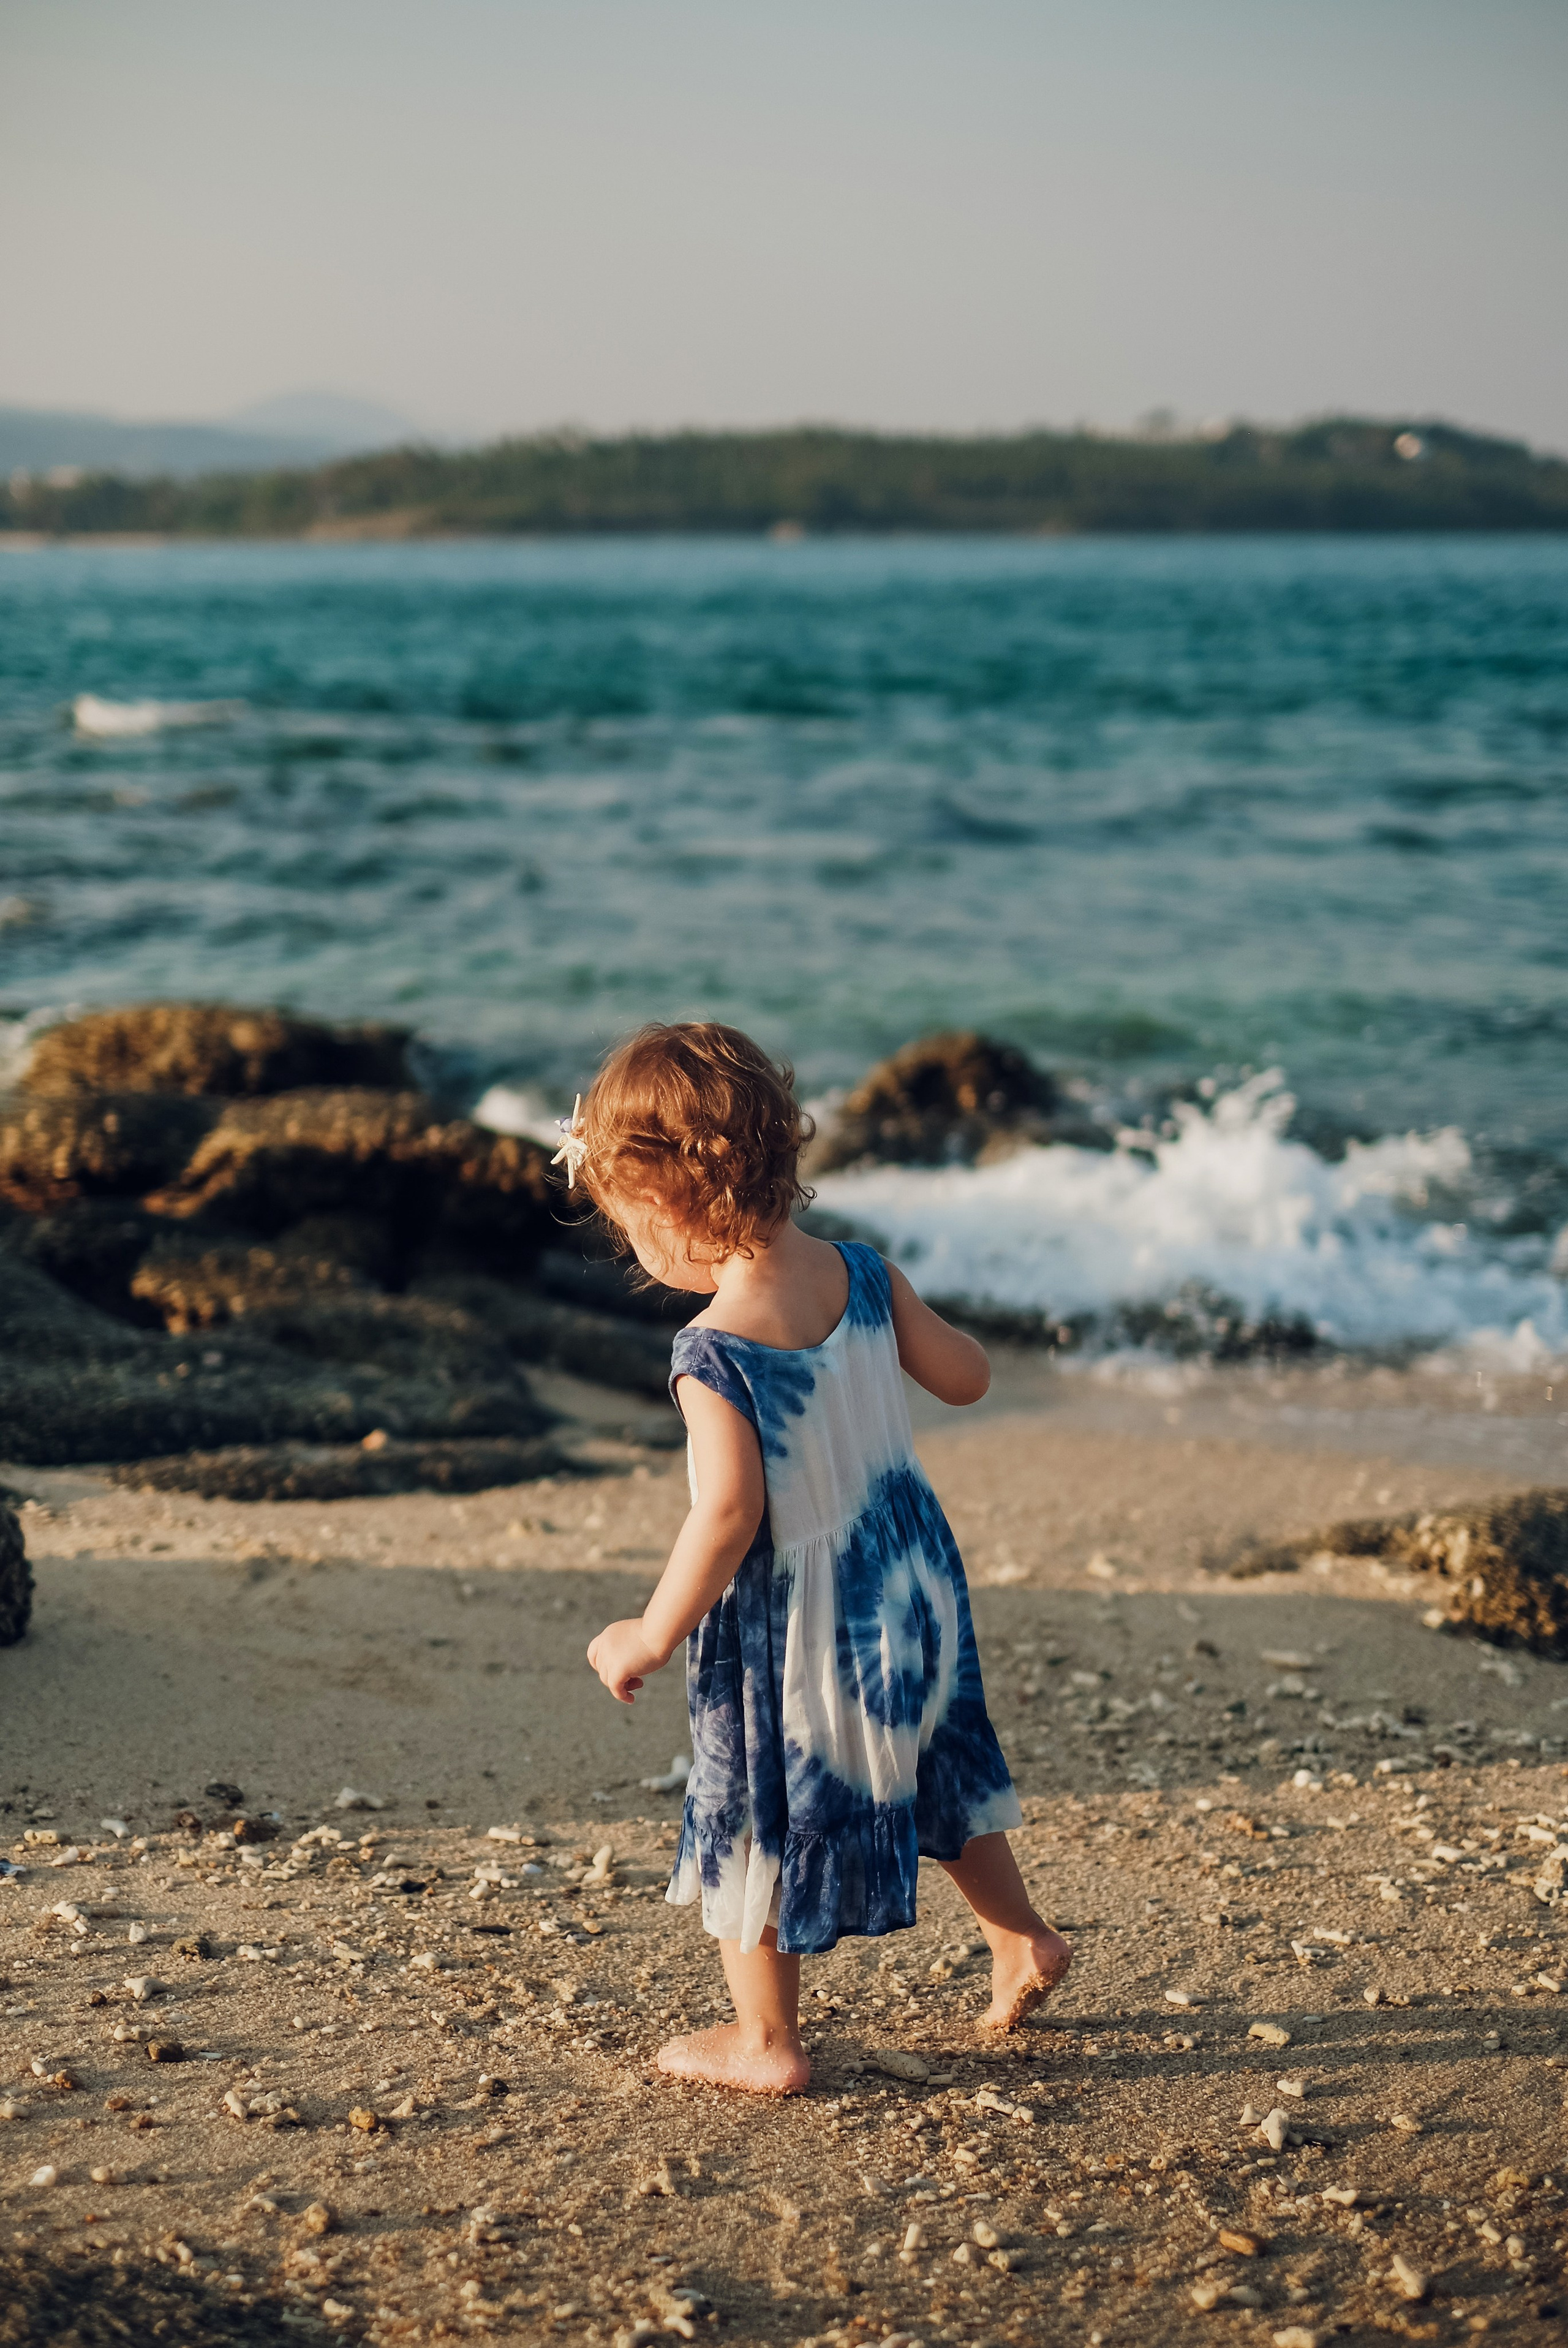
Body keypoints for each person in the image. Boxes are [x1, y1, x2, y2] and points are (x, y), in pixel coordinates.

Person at [574, 1021, 1069, 2096]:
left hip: (799, 1616)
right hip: (910, 1578)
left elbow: (728, 1515)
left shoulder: (715, 1352)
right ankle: (1023, 1934)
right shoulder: (864, 1271)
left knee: (756, 1806)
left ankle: (765, 2039)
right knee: (937, 1763)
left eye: (629, 1224)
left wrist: (649, 1631)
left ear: (671, 1203)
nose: (634, 1250)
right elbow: (970, 1378)